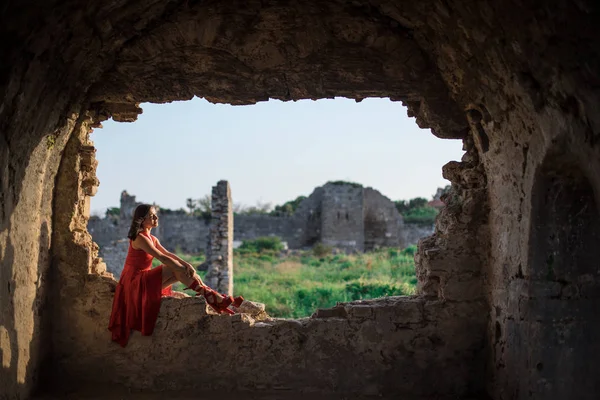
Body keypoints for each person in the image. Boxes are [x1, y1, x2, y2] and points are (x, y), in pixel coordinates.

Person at [108, 204, 243, 347]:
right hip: (133, 282)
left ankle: (211, 295)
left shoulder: (152, 238)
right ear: (142, 220)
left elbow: (168, 253)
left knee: (177, 272)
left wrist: (188, 265)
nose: (156, 218)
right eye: (151, 216)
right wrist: (185, 270)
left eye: (156, 214)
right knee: (172, 269)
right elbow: (162, 258)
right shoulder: (140, 238)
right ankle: (214, 297)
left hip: (142, 280)